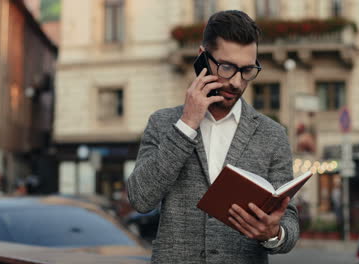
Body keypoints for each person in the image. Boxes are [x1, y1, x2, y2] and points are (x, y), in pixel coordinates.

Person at [127, 10, 299, 264]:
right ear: (202, 58)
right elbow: (141, 198)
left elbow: (289, 220)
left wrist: (274, 234)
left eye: (247, 70)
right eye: (227, 67)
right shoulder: (163, 123)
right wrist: (187, 124)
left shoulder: (272, 135)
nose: (238, 83)